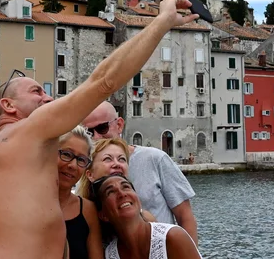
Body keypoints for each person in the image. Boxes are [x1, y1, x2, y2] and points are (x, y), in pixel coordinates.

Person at [0, 0, 200, 259]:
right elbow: (104, 81)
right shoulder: (26, 131)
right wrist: (162, 21)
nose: (48, 98)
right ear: (9, 106)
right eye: (37, 92)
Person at [82, 102, 198, 242]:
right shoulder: (85, 167)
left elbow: (185, 217)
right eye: (89, 132)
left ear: (119, 125)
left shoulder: (155, 159)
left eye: (102, 128)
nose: (96, 137)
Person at [92, 174, 202, 259]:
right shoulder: (110, 255)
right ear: (103, 215)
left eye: (126, 187)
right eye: (110, 192)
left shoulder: (172, 237)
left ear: (138, 200)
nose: (122, 194)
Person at [58, 126, 102, 259]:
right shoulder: (26, 203)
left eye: (81, 160)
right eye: (66, 154)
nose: (72, 165)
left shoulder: (88, 211)